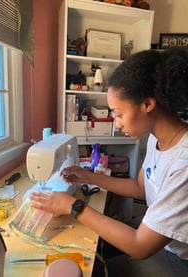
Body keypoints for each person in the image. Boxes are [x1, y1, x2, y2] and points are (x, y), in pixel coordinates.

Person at [30, 49, 188, 276]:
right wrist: (89, 176)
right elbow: (141, 188)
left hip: (179, 259)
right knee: (96, 246)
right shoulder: (158, 138)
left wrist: (73, 206)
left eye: (119, 114)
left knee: (95, 269)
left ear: (148, 104)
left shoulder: (183, 163)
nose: (117, 122)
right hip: (163, 241)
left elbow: (140, 246)